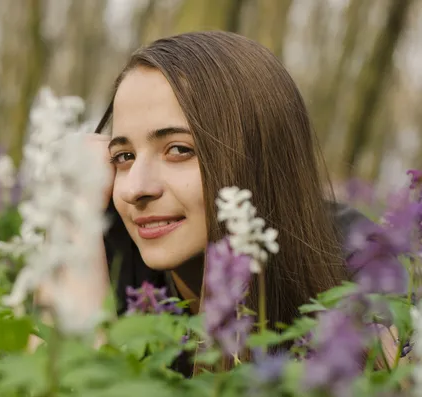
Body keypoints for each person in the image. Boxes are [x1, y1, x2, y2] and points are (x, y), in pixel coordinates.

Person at [40, 31, 400, 375]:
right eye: (123, 155)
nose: (136, 188)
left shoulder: (362, 267)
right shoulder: (105, 246)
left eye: (179, 150)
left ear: (260, 159)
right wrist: (73, 213)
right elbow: (55, 383)